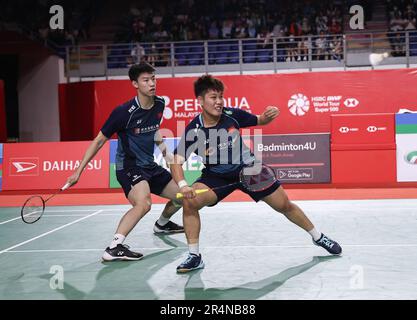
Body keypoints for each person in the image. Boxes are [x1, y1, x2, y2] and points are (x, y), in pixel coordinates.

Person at [169, 74, 342, 273]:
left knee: (284, 205)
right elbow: (176, 161)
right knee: (189, 202)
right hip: (216, 175)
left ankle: (318, 237)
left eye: (220, 97)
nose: (218, 102)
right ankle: (194, 255)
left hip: (249, 169)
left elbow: (259, 120)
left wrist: (266, 117)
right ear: (200, 101)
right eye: (213, 98)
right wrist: (183, 185)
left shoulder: (232, 115)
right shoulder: (194, 130)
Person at [66, 62, 184, 262]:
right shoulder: (123, 112)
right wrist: (79, 170)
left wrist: (165, 153)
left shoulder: (160, 104)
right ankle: (114, 247)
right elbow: (99, 140)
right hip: (128, 167)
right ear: (135, 84)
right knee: (143, 203)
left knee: (183, 196)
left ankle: (162, 224)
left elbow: (154, 129)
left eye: (153, 79)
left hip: (149, 165)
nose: (152, 84)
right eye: (146, 80)